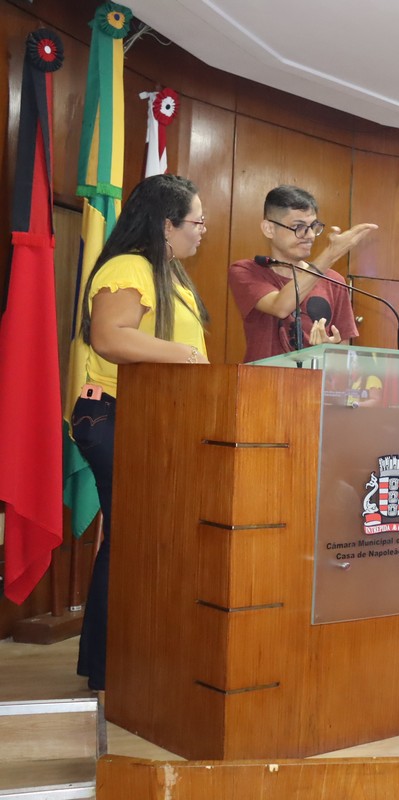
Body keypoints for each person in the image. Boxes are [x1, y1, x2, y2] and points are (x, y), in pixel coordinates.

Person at [68, 174, 212, 691]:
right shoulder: (129, 266)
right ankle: (112, 666)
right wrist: (188, 356)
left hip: (152, 420)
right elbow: (109, 338)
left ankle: (126, 659)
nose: (202, 231)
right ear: (166, 224)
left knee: (143, 538)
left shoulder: (168, 273)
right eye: (197, 221)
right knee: (133, 539)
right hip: (115, 417)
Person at [228, 185, 377, 362]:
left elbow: (344, 351)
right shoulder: (246, 271)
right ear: (269, 229)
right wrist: (330, 254)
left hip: (314, 378)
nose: (310, 235)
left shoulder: (334, 280)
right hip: (262, 378)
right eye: (298, 227)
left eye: (313, 226)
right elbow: (281, 307)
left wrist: (328, 350)